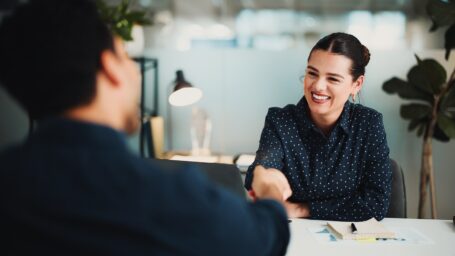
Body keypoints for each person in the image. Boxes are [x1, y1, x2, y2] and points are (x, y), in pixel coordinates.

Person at [0, 0, 292, 255]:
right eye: (126, 57)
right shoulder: (167, 195)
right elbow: (263, 239)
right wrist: (270, 192)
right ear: (111, 68)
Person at [245, 32, 392, 222]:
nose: (318, 86)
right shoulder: (281, 121)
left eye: (333, 79)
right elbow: (264, 173)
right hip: (294, 233)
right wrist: (272, 197)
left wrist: (300, 209)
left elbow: (376, 203)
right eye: (312, 73)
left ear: (356, 84)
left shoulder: (369, 124)